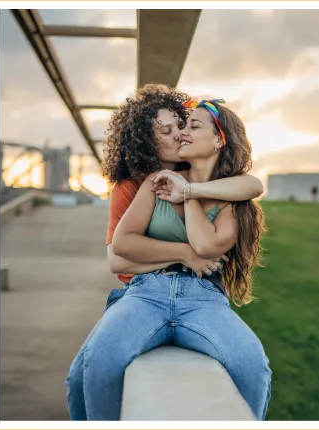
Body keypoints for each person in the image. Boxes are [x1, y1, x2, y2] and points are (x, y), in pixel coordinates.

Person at [65, 85, 266, 423]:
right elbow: (121, 250)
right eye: (172, 130)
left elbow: (249, 191)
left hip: (203, 298)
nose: (182, 134)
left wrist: (187, 191)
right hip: (147, 291)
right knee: (96, 362)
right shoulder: (147, 183)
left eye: (188, 126)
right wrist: (184, 254)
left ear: (219, 141)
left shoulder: (230, 194)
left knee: (253, 366)